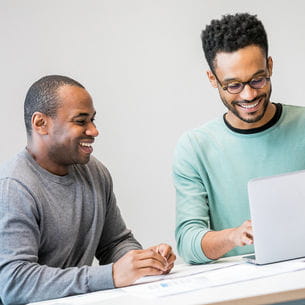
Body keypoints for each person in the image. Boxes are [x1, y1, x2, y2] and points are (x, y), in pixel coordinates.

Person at [0, 75, 176, 305]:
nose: (94, 131)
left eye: (93, 120)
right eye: (81, 121)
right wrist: (112, 275)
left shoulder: (95, 172)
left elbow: (114, 243)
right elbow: (13, 283)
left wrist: (144, 261)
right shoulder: (14, 187)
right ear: (40, 123)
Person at [173, 13, 305, 264]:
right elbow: (187, 241)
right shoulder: (195, 148)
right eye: (233, 85)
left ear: (270, 66)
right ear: (213, 79)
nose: (248, 95)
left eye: (258, 79)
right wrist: (233, 236)